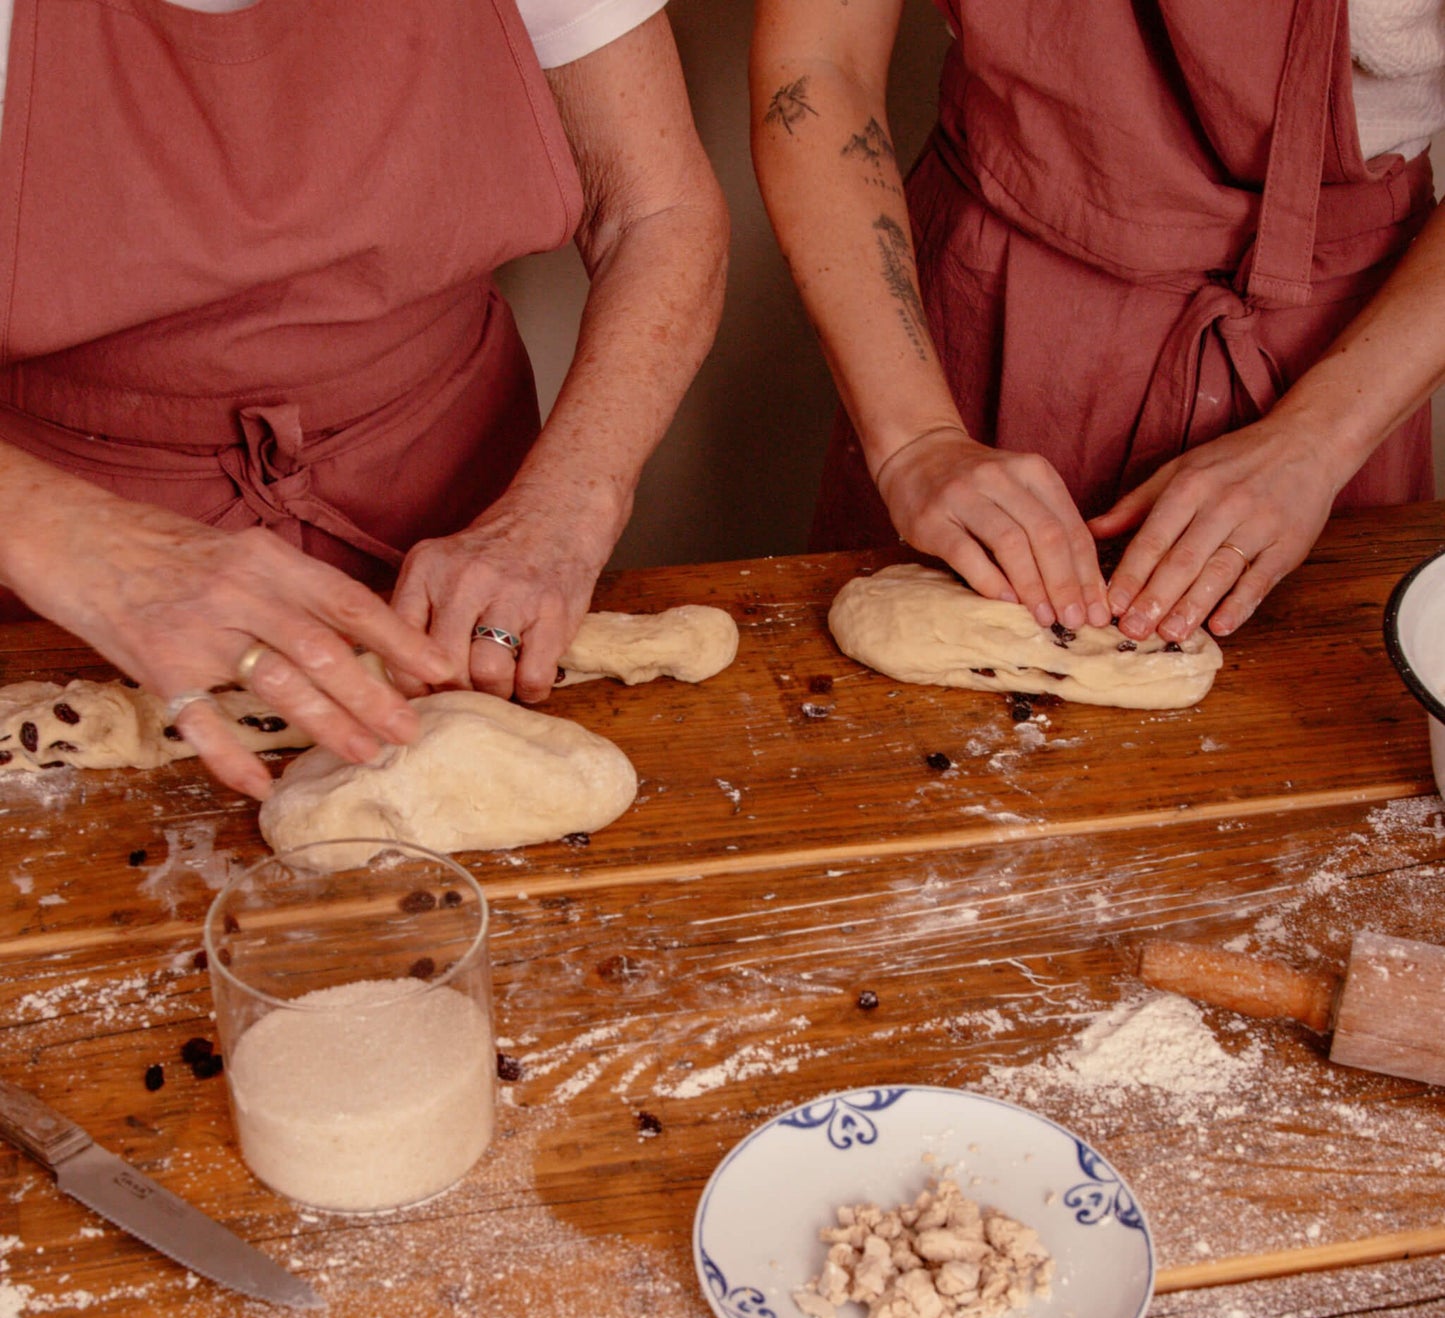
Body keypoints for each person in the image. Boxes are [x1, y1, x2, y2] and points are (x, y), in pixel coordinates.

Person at [0, 0, 728, 798]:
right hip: (59, 547)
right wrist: (69, 535)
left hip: (453, 489)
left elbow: (655, 213)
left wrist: (566, 506)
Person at [751, 0, 1445, 647]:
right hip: (984, 310)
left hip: (1351, 356)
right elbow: (819, 61)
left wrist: (1319, 443)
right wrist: (914, 438)